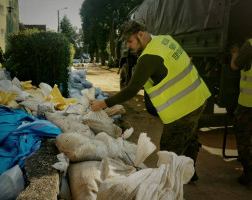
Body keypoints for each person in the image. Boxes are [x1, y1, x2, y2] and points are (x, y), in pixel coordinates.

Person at [90, 20, 211, 181]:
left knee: (169, 151)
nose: (128, 46)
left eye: (130, 41)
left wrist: (102, 104)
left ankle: (167, 188)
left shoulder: (148, 57)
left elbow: (131, 90)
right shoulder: (165, 39)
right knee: (189, 137)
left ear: (140, 34)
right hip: (199, 97)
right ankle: (190, 173)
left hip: (184, 108)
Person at [230, 38, 252, 186]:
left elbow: (234, 66)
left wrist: (234, 52)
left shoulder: (249, 45)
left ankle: (248, 175)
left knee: (244, 139)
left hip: (248, 104)